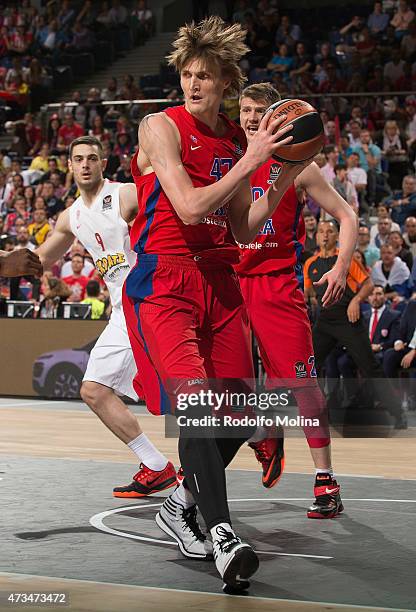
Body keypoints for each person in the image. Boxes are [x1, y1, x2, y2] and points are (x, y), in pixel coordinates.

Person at [121, 16, 308, 588]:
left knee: (244, 414)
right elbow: (191, 208)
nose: (194, 84)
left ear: (227, 82)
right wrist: (252, 161)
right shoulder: (160, 126)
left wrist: (285, 170)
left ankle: (179, 503)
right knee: (200, 405)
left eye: (206, 75)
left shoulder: (232, 138)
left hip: (220, 284)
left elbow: (244, 226)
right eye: (187, 74)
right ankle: (223, 536)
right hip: (166, 281)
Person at [237, 83, 358, 519]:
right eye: (245, 109)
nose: (251, 117)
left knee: (301, 382)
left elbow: (347, 215)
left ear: (278, 117)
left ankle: (326, 480)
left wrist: (341, 266)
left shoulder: (297, 162)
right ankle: (264, 436)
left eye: (260, 111)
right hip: (228, 283)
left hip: (273, 283)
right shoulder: (223, 158)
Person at [35, 136, 177, 498]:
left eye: (92, 158)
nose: (85, 164)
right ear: (69, 165)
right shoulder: (71, 217)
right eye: (78, 159)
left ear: (103, 164)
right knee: (94, 390)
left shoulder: (124, 194)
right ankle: (156, 466)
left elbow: (173, 210)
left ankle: (252, 432)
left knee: (184, 392)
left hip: (153, 302)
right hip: (122, 312)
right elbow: (40, 260)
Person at [305, 221, 407, 428]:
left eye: (330, 232)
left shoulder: (346, 260)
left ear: (337, 236)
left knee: (370, 366)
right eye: (321, 232)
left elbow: (369, 284)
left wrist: (355, 300)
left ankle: (398, 413)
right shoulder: (310, 264)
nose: (325, 235)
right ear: (316, 237)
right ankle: (318, 413)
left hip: (348, 320)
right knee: (309, 367)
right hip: (324, 321)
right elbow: (309, 293)